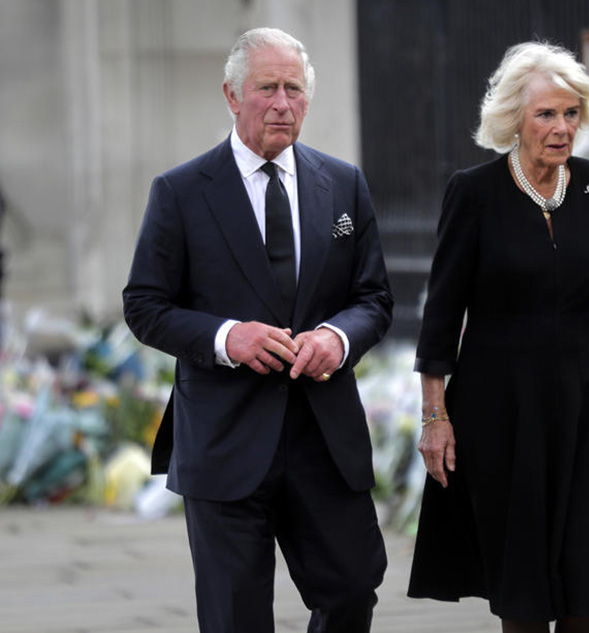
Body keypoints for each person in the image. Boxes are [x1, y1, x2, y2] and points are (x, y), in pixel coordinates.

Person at [123, 27, 392, 633]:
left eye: (293, 89)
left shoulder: (343, 183)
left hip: (324, 439)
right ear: (232, 95)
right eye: (267, 88)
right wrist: (227, 338)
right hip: (225, 439)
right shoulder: (181, 191)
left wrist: (338, 338)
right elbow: (144, 305)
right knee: (236, 618)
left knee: (352, 590)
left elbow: (372, 297)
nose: (282, 104)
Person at [408, 41, 589, 633]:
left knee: (587, 592)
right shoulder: (474, 193)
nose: (561, 127)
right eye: (545, 114)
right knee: (522, 595)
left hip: (585, 415)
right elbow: (442, 315)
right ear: (513, 120)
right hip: (503, 417)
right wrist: (434, 416)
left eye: (571, 113)